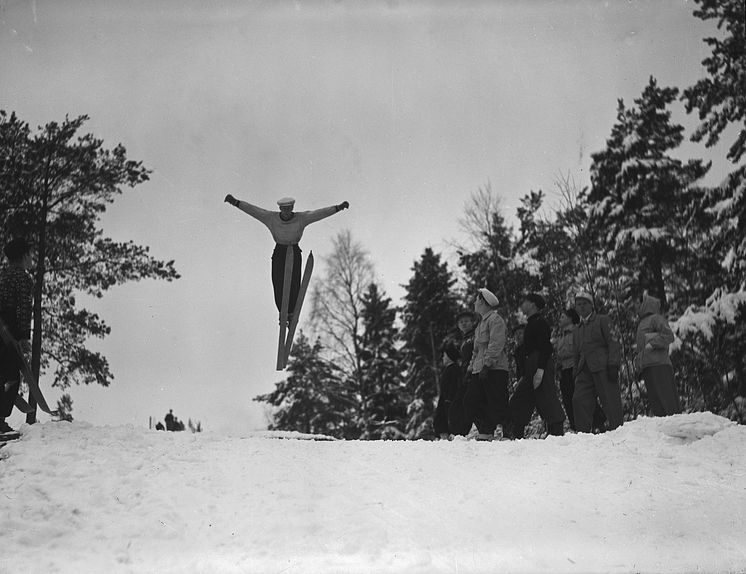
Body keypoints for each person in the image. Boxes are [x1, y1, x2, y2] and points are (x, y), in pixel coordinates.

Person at [224, 195, 349, 322]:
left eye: (289, 209)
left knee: (294, 283)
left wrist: (338, 208)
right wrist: (235, 202)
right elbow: (254, 211)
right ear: (280, 209)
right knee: (278, 283)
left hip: (294, 251)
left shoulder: (302, 218)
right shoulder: (271, 218)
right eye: (284, 209)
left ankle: (291, 312)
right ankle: (282, 312)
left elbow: (319, 214)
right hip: (279, 252)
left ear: (292, 208)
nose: (287, 212)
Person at [509, 293, 565, 439]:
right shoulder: (532, 323)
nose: (522, 304)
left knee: (547, 397)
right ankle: (516, 435)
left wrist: (540, 370)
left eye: (525, 301)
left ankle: (557, 435)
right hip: (532, 366)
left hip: (541, 364)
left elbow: (546, 348)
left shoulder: (540, 323)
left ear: (533, 304)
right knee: (520, 399)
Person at [464, 288, 511, 441]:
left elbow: (496, 344)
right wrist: (470, 369)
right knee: (472, 400)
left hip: (495, 369)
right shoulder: (480, 325)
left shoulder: (495, 320)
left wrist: (487, 365)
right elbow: (476, 351)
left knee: (497, 400)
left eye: (476, 300)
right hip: (479, 370)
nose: (474, 303)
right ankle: (486, 430)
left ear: (483, 302)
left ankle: (508, 433)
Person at [572, 291, 623, 432]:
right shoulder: (577, 330)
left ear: (591, 306)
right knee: (578, 400)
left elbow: (613, 342)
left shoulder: (602, 320)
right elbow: (576, 353)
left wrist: (613, 364)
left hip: (603, 367)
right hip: (584, 370)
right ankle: (583, 434)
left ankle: (618, 431)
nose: (581, 307)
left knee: (610, 400)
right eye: (578, 304)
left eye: (584, 304)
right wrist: (575, 371)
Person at [0, 238, 34, 434]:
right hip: (9, 333)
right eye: (30, 254)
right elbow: (23, 309)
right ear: (23, 256)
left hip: (1, 330)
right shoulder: (22, 278)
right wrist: (23, 338)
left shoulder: (4, 275)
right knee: (9, 376)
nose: (32, 258)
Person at [635, 293, 681, 416]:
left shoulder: (656, 318)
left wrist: (652, 343)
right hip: (648, 367)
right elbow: (641, 349)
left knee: (668, 399)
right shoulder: (641, 323)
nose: (636, 306)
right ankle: (664, 430)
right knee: (656, 403)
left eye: (639, 303)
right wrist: (639, 364)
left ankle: (677, 424)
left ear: (646, 304)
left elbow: (668, 336)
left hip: (660, 364)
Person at [555, 308, 580, 431]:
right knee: (567, 399)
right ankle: (574, 426)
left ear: (570, 318)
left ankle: (595, 422)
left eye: (563, 317)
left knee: (578, 398)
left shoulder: (577, 332)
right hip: (564, 371)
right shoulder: (561, 336)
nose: (560, 319)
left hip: (575, 369)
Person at [433, 341, 462, 440]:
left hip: (449, 401)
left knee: (444, 420)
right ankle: (443, 438)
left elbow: (453, 385)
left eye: (444, 356)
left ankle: (446, 439)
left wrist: (449, 399)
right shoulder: (449, 369)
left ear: (450, 356)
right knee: (440, 419)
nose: (443, 358)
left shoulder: (454, 369)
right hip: (445, 400)